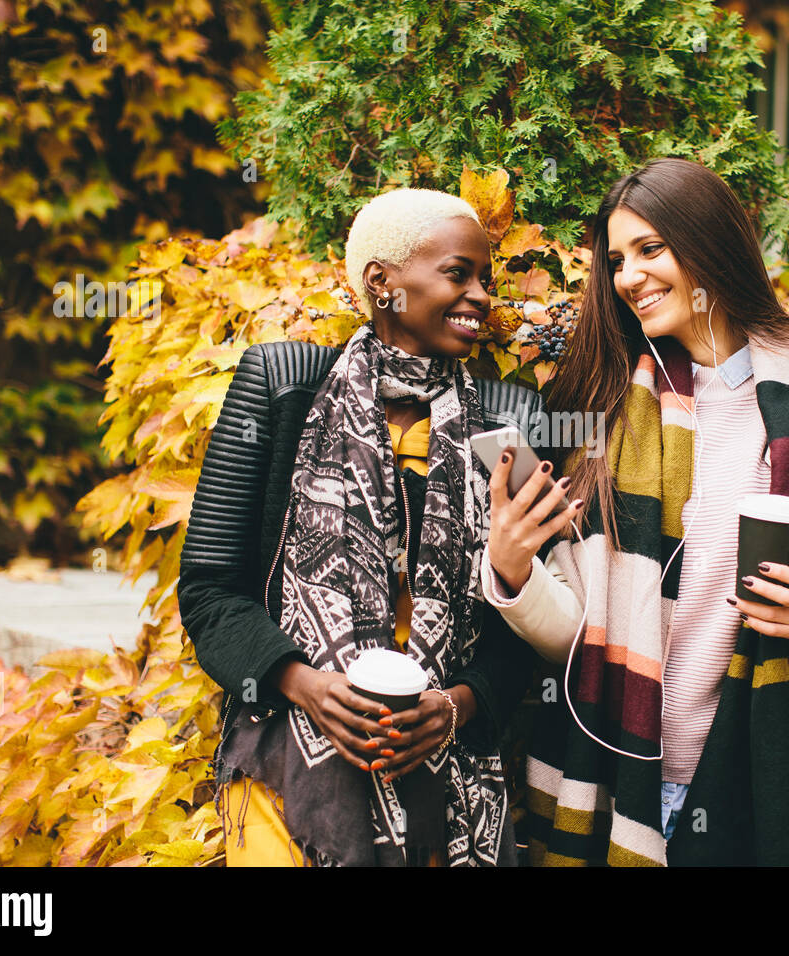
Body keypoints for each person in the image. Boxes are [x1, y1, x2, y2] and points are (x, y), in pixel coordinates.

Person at [481, 157, 789, 866]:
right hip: (614, 776)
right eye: (615, 259)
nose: (628, 276)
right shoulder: (603, 407)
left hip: (760, 776)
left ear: (710, 243)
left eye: (649, 249)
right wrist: (513, 573)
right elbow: (575, 637)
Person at [178, 187, 541, 866]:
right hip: (289, 773)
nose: (482, 297)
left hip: (449, 793)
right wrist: (302, 684)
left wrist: (456, 706)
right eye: (459, 274)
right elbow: (209, 591)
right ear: (384, 281)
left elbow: (523, 627)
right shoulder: (283, 387)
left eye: (486, 280)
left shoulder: (508, 424)